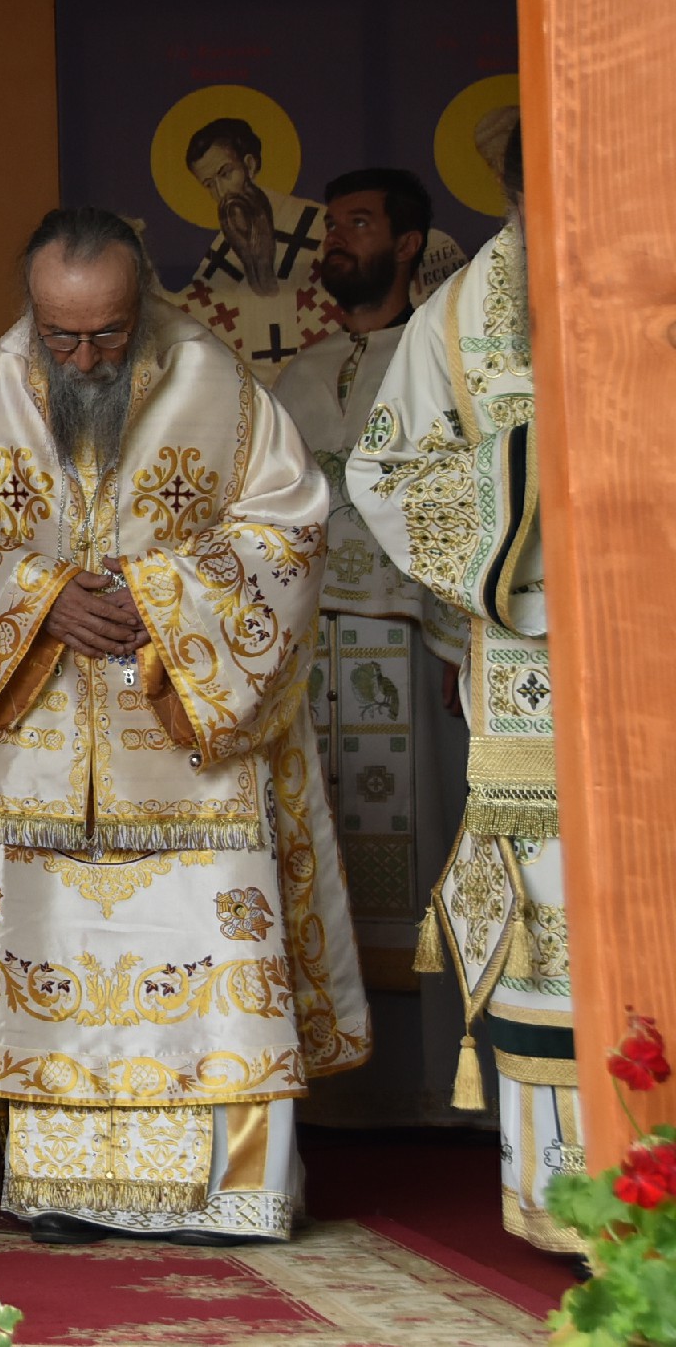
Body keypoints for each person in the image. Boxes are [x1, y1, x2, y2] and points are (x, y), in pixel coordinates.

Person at [0, 207, 367, 1245]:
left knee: (205, 951)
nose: (82, 358)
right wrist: (38, 598)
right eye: (60, 334)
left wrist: (161, 596)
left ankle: (231, 1190)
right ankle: (68, 1189)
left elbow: (290, 525)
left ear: (141, 300)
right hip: (42, 745)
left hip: (187, 738)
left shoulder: (216, 385)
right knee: (54, 949)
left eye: (105, 333)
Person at [346, 125, 580, 1253]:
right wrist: (534, 467)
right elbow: (386, 473)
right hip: (542, 674)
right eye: (544, 194)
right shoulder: (461, 317)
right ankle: (584, 1207)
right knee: (554, 935)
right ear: (516, 194)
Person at [272, 170, 473, 1127]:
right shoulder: (296, 376)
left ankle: (436, 1085)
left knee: (425, 854)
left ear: (406, 243)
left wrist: (462, 636)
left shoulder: (443, 362)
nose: (337, 243)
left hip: (407, 645)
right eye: (332, 228)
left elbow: (462, 508)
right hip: (310, 659)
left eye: (360, 225)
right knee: (323, 852)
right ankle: (337, 1093)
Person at [174, 120, 467, 385]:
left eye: (359, 223)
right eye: (209, 185)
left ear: (249, 165)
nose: (334, 237)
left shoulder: (441, 366)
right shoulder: (303, 375)